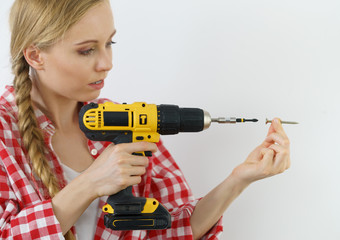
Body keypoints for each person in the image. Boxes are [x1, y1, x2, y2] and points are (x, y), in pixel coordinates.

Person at [0, 0, 291, 239]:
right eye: (86, 50)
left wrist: (239, 179)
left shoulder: (123, 122)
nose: (107, 63)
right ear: (35, 55)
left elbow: (172, 230)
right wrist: (90, 183)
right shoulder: (4, 132)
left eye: (109, 43)